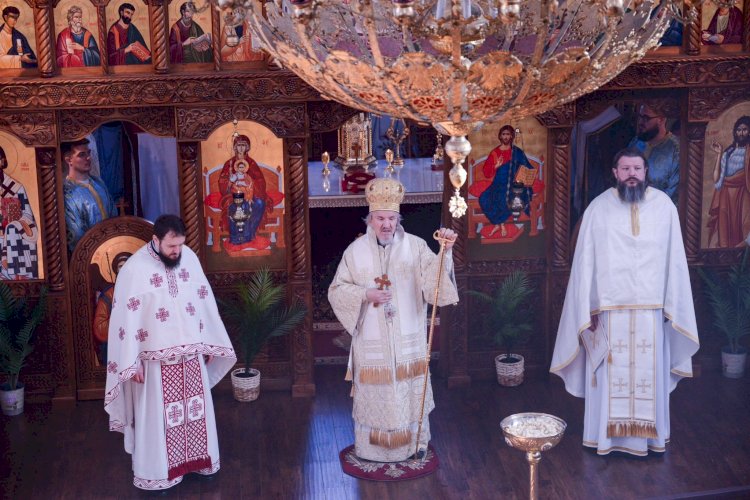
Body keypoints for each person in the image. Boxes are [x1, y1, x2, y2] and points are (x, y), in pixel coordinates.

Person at [551, 148, 699, 457]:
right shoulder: (598, 208)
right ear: (615, 173)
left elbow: (674, 260)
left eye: (637, 168)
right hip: (609, 312)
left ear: (646, 172)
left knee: (649, 376)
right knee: (609, 374)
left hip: (652, 311)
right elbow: (586, 262)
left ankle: (651, 440)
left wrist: (672, 304)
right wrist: (589, 307)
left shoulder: (664, 208)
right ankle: (604, 439)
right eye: (625, 168)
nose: (632, 174)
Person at [328, 178, 459, 462]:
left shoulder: (416, 247)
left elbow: (433, 284)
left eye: (391, 218)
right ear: (370, 220)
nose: (386, 225)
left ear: (398, 219)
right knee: (377, 392)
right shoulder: (355, 251)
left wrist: (445, 252)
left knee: (409, 392)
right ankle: (371, 449)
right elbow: (336, 290)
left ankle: (414, 444)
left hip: (408, 342)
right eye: (380, 219)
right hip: (372, 344)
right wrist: (366, 294)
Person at [104, 214, 236, 491]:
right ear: (156, 240)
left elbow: (202, 300)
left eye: (180, 245)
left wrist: (207, 341)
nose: (177, 251)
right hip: (154, 364)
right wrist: (132, 361)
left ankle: (199, 463)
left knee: (196, 413)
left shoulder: (189, 258)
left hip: (190, 359)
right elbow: (124, 322)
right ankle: (158, 475)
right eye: (171, 246)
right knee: (159, 421)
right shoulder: (134, 270)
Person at [478, 125, 536, 238]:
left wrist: (520, 177)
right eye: (503, 134)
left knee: (504, 196)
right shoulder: (495, 153)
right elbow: (486, 172)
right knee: (484, 198)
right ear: (500, 136)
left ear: (511, 136)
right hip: (498, 183)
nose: (505, 137)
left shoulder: (517, 152)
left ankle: (500, 224)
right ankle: (499, 223)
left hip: (513, 184)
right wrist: (495, 166)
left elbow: (527, 167)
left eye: (508, 134)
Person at [62, 139, 117, 253]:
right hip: (88, 253)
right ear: (69, 160)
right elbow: (76, 233)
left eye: (88, 153)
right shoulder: (67, 192)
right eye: (82, 155)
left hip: (112, 246)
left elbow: (113, 214)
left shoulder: (98, 183)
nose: (88, 158)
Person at [706, 115, 750, 248]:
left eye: (744, 130)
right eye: (738, 130)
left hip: (744, 193)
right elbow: (717, 181)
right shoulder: (728, 153)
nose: (741, 133)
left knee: (744, 223)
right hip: (726, 195)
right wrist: (719, 154)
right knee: (726, 227)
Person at [627, 103, 680, 204]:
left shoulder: (676, 150)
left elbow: (673, 193)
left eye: (646, 118)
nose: (640, 122)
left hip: (659, 210)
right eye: (640, 117)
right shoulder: (635, 143)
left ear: (661, 119)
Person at [218, 134, 268, 240]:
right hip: (233, 194)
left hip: (251, 193)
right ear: (235, 147)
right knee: (236, 207)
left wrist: (249, 182)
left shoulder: (252, 163)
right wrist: (230, 182)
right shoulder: (229, 164)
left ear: (247, 147)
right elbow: (223, 181)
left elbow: (260, 181)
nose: (241, 148)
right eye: (239, 145)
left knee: (260, 203)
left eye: (243, 145)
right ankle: (237, 237)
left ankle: (250, 232)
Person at [0, 145, 39, 279]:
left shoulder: (16, 188)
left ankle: (18, 276)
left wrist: (14, 222)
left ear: (2, 161)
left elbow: (27, 215)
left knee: (12, 231)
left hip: (11, 236)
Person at [92, 251, 131, 366]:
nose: (124, 269)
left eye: (127, 265)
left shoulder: (142, 291)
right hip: (116, 347)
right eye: (121, 266)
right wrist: (118, 318)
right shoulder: (109, 295)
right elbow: (99, 328)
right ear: (116, 270)